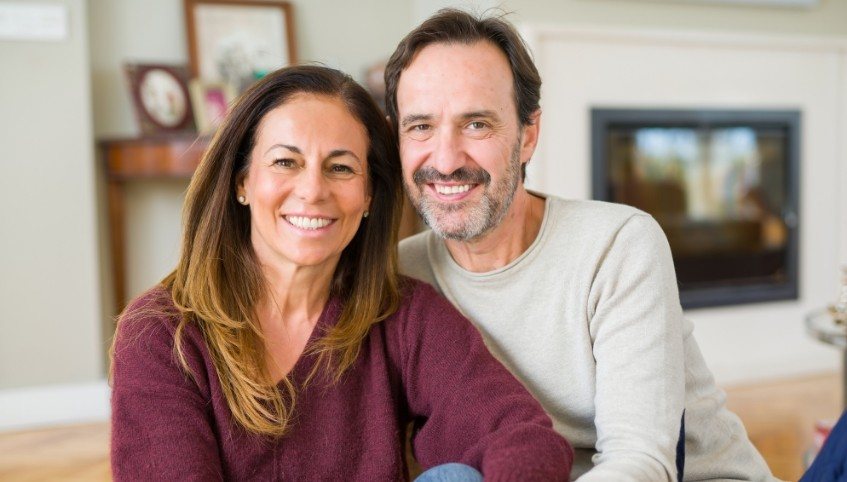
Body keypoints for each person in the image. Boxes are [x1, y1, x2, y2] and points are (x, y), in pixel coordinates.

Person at [109, 65, 573, 481]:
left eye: (340, 168)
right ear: (242, 181)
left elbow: (518, 433)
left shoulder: (402, 315)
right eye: (286, 162)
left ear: (369, 195)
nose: (313, 191)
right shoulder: (160, 335)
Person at [387, 9, 776, 481]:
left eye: (476, 124)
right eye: (421, 126)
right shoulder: (400, 275)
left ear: (528, 135)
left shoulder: (617, 245)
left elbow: (641, 461)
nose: (446, 161)